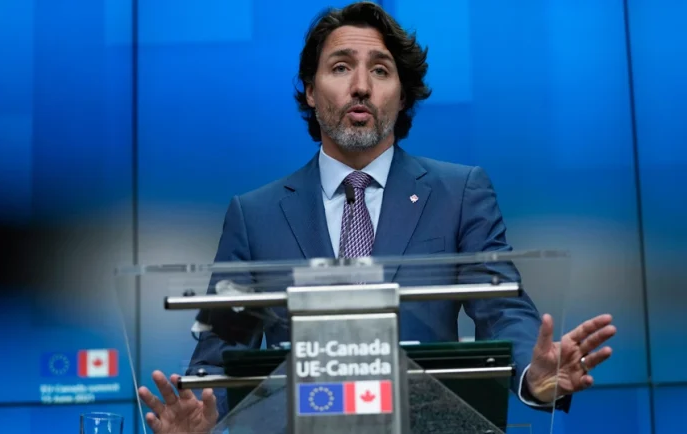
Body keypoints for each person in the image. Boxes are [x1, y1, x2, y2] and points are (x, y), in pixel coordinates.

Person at [137, 2, 616, 432]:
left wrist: (535, 374)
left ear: (402, 95)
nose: (361, 86)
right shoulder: (254, 214)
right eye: (341, 67)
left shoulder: (459, 193)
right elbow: (222, 350)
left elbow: (502, 309)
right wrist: (202, 411)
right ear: (310, 91)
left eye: (381, 70)